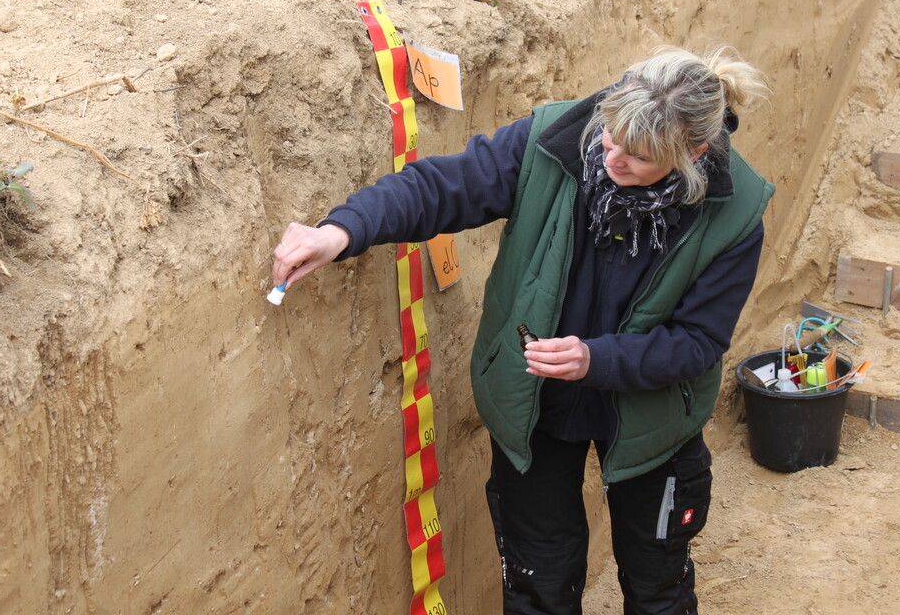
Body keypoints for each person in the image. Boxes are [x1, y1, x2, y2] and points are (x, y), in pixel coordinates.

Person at [270, 46, 774, 615]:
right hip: (536, 404)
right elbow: (442, 188)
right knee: (539, 588)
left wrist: (595, 360)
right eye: (610, 136)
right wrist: (341, 231)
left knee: (658, 587)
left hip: (654, 416)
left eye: (638, 157)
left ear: (694, 152)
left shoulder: (735, 212)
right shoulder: (552, 140)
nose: (612, 159)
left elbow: (698, 343)